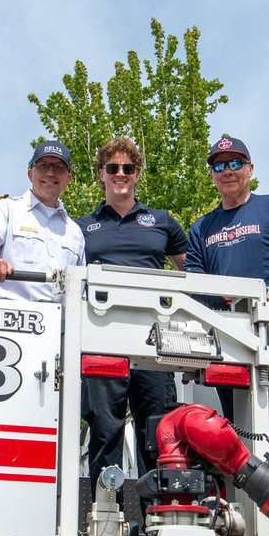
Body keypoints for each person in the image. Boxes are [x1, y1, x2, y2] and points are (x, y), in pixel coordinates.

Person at [77, 137, 187, 494]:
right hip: (102, 338)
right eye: (113, 168)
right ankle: (104, 517)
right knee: (105, 428)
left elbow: (194, 274)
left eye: (128, 168)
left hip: (155, 340)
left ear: (138, 174)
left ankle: (155, 520)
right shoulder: (81, 227)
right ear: (101, 176)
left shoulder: (163, 222)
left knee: (156, 432)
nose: (120, 174)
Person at [184, 136, 269, 322]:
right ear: (212, 175)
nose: (227, 171)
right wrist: (218, 297)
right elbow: (193, 282)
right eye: (219, 166)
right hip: (224, 332)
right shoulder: (201, 228)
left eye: (235, 163)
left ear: (250, 169)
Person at [0, 140, 86, 301]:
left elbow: (80, 291)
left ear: (68, 178)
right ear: (30, 174)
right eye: (43, 166)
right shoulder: (6, 209)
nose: (50, 173)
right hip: (10, 320)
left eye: (59, 167)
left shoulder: (75, 231)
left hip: (60, 323)